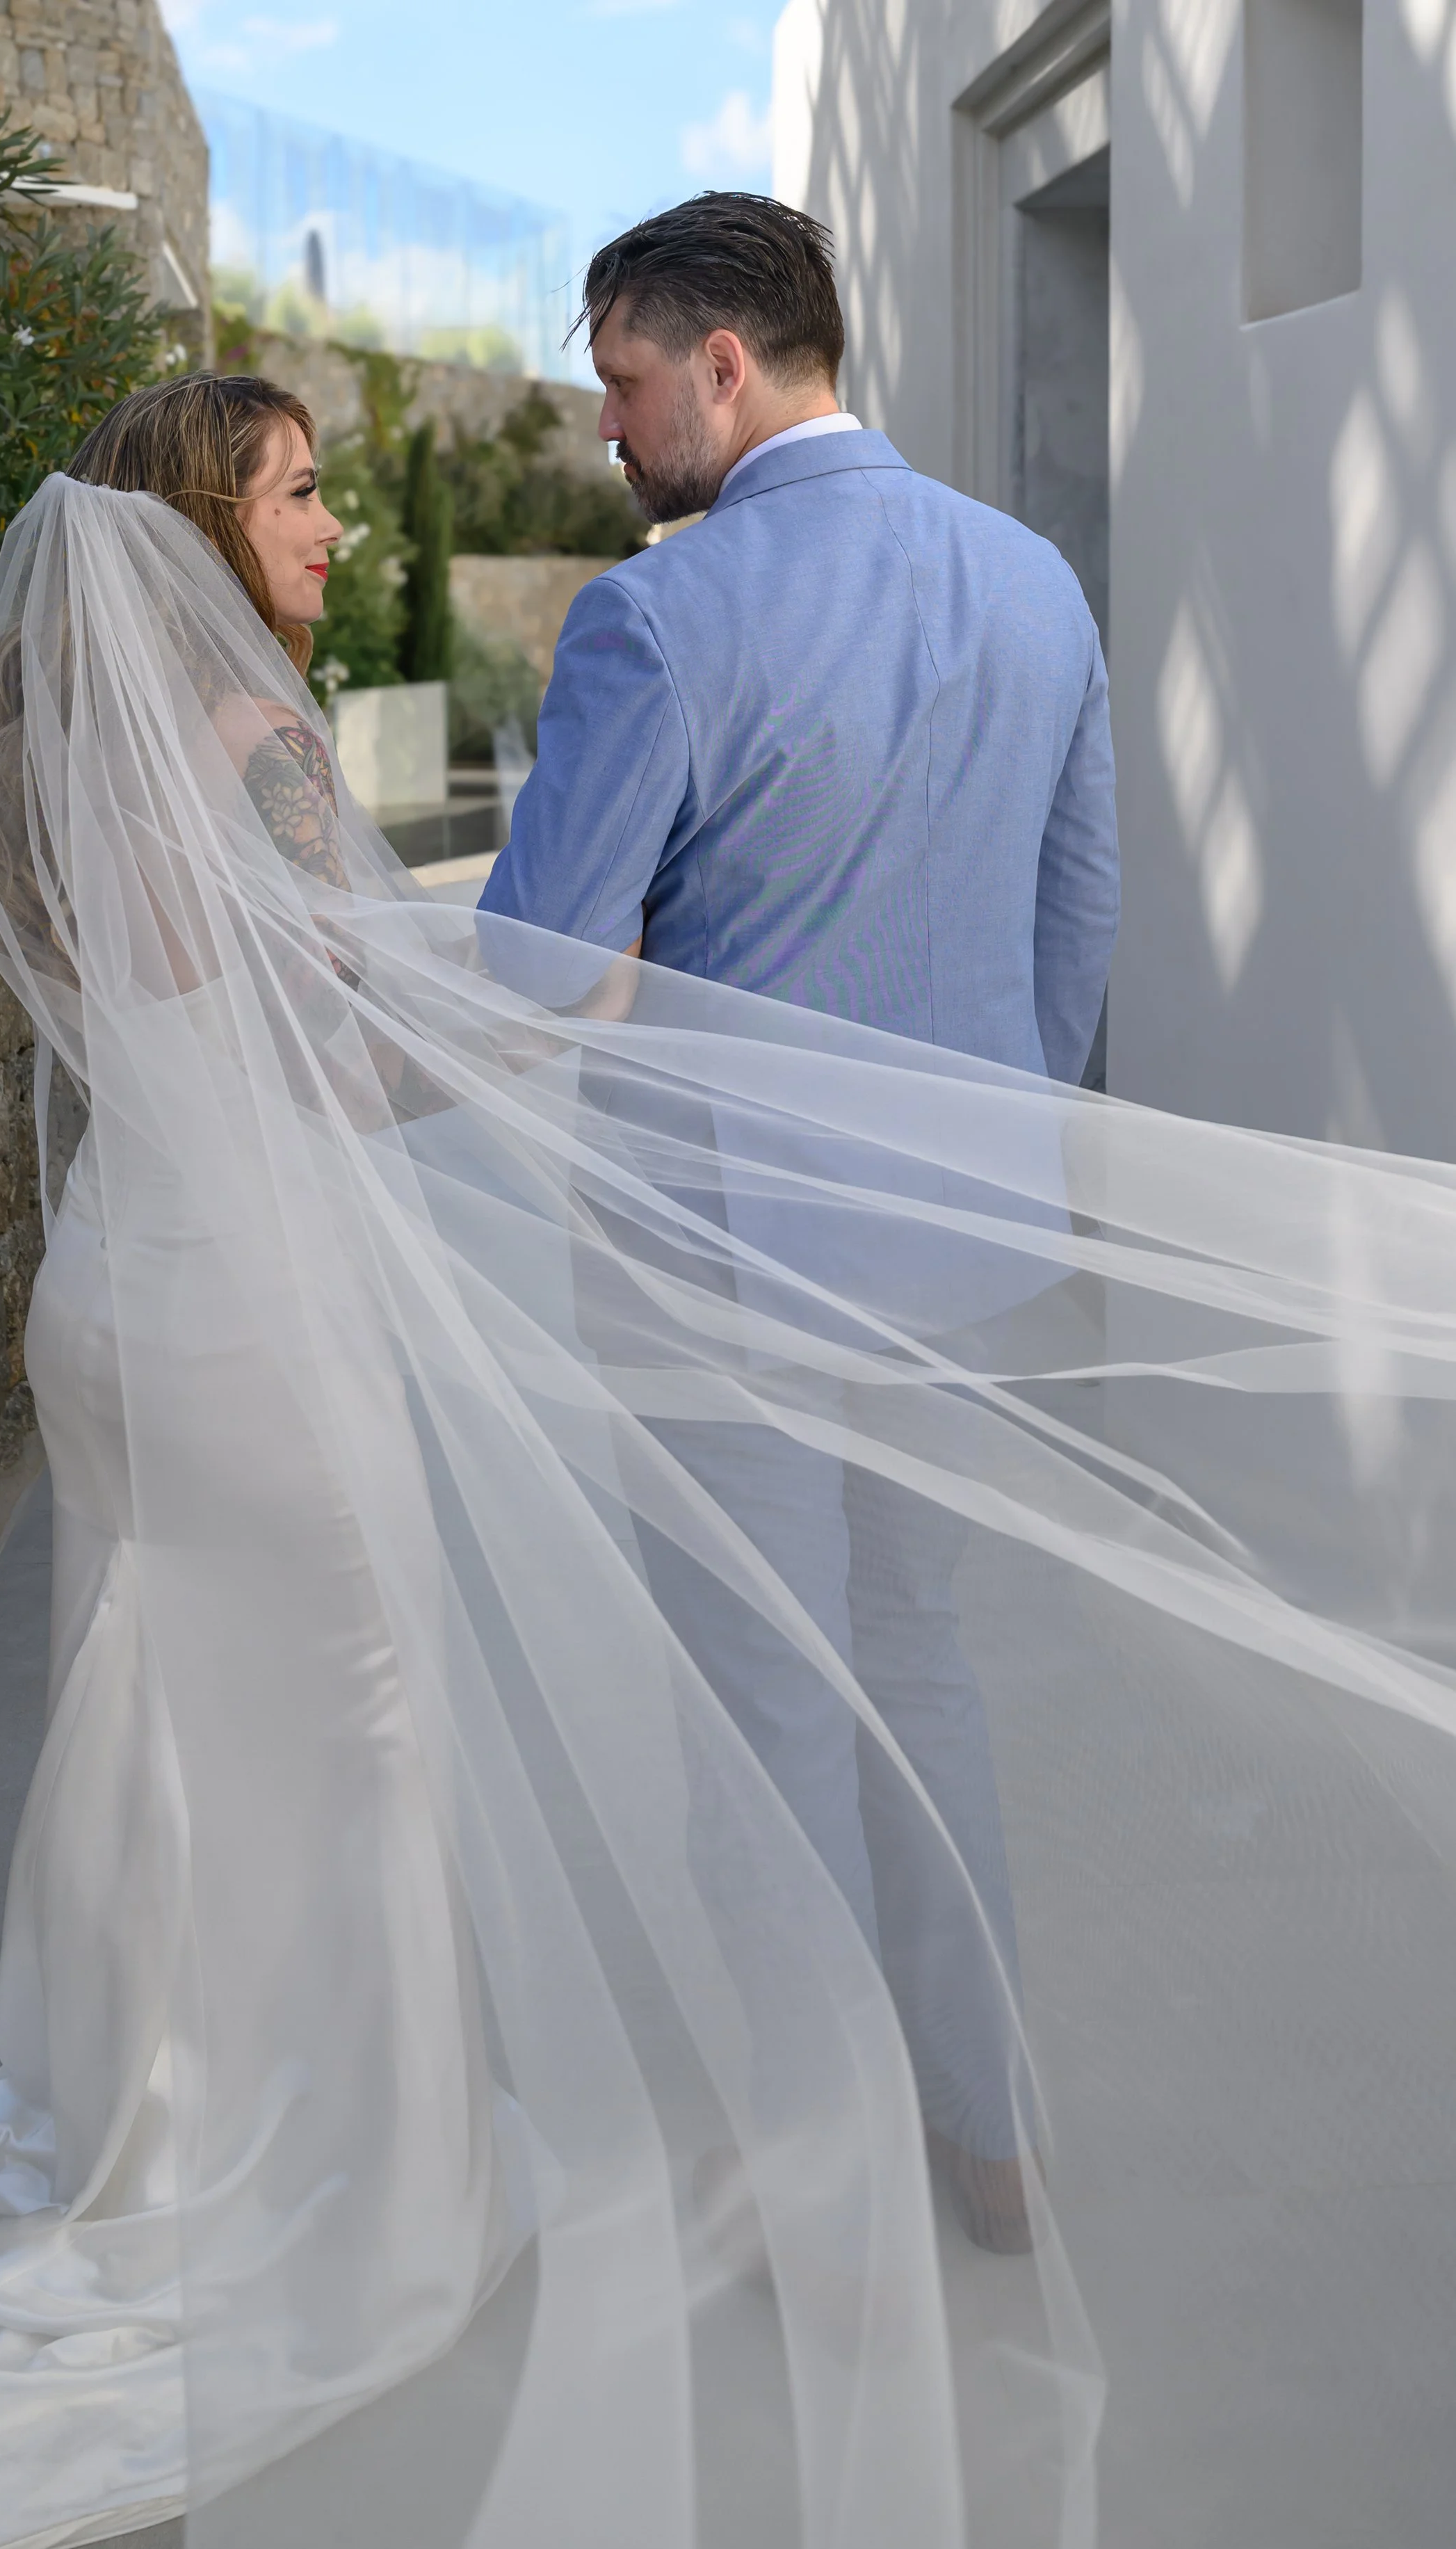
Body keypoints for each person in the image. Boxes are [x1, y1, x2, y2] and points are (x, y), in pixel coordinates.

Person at [0, 369, 1455, 2549]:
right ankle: (343, 2168)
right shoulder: (245, 756)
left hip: (120, 1300)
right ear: (200, 530)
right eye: (303, 492)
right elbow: (343, 1074)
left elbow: (186, 1028)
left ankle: (150, 2121)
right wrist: (557, 1015)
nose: (337, 528)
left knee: (155, 1701)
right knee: (348, 1727)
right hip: (257, 1308)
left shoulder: (64, 763)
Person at [480, 193, 1119, 2251]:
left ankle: (829, 2179)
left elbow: (522, 973)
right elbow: (1075, 920)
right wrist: (981, 1134)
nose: (607, 426)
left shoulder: (656, 615)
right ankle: (986, 2141)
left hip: (720, 1261)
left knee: (762, 1718)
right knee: (918, 1671)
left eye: (621, 379)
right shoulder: (1033, 583)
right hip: (956, 1239)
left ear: (725, 364)